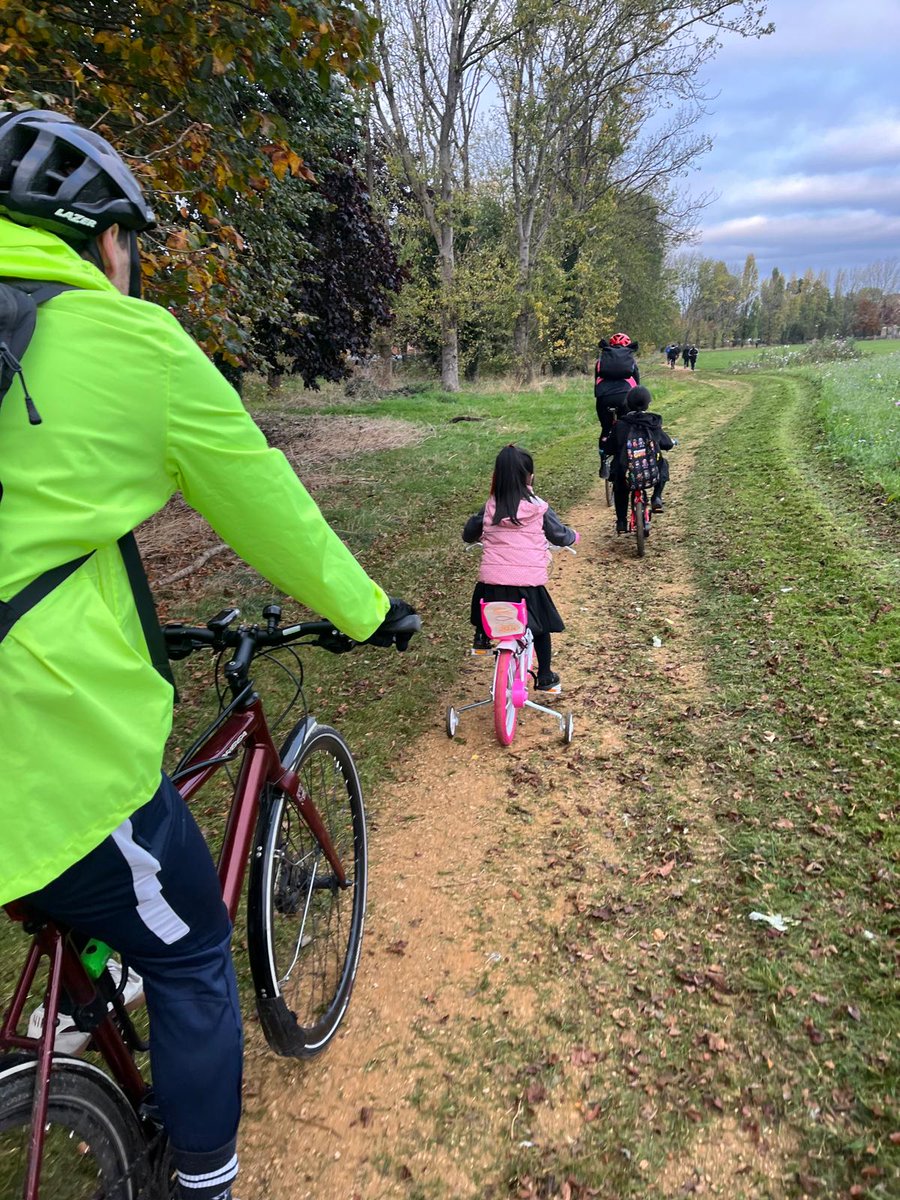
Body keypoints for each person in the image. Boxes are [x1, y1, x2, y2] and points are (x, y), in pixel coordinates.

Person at [0, 109, 418, 1200]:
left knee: (88, 900)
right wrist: (369, 611)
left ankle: (82, 1005)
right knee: (189, 950)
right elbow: (265, 498)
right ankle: (204, 1183)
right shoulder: (128, 342)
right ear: (103, 239)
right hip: (40, 752)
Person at [463, 444, 578, 693]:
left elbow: (469, 533)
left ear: (497, 476)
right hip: (528, 586)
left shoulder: (490, 507)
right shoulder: (538, 508)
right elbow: (559, 535)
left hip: (493, 585)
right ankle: (545, 676)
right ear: (530, 477)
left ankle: (482, 635)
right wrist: (573, 536)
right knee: (541, 627)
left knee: (484, 598)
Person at [609, 386, 675, 533]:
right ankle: (656, 497)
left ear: (627, 404)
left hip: (626, 472)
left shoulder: (620, 425)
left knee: (619, 486)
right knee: (663, 464)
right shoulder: (653, 423)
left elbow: (610, 447)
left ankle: (621, 521)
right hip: (650, 471)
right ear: (647, 404)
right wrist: (671, 443)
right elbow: (667, 444)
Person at [594, 332, 639, 477]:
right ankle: (627, 458)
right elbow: (637, 385)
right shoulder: (631, 361)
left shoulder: (601, 361)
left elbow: (596, 382)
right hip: (624, 397)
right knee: (627, 427)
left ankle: (604, 463)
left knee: (606, 429)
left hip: (604, 398)